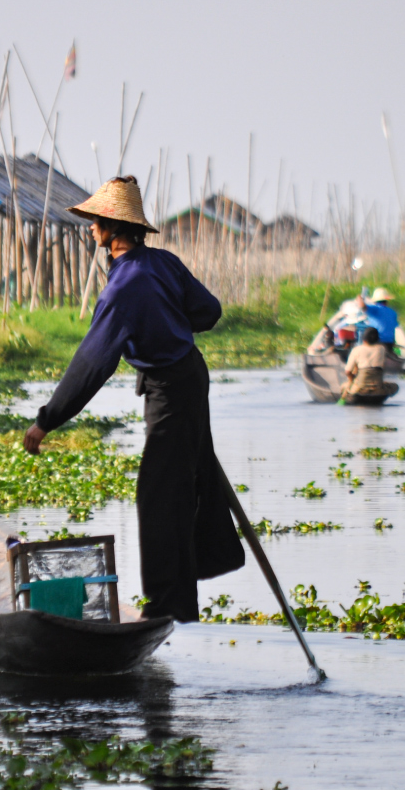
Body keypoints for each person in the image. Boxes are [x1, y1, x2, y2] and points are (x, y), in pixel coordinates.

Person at [21, 177, 244, 622]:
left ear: (112, 226)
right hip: (190, 376)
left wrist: (46, 420)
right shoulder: (161, 263)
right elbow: (208, 310)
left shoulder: (125, 288)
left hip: (171, 389)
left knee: (159, 493)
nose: (89, 229)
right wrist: (168, 319)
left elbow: (92, 363)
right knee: (185, 480)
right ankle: (181, 598)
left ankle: (166, 606)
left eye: (93, 222)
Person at [341, 327, 400, 400]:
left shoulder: (357, 350)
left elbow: (347, 371)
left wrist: (352, 379)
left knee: (343, 386)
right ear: (377, 339)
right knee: (395, 386)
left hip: (359, 390)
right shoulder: (382, 349)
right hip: (378, 390)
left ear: (364, 339)